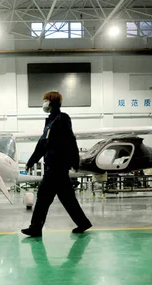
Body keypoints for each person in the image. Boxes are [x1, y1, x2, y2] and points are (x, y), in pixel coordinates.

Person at [21, 91, 92, 238]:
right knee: (66, 198)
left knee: (43, 197)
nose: (44, 103)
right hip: (53, 166)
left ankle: (35, 228)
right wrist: (31, 161)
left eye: (45, 100)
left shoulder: (62, 118)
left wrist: (75, 161)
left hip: (57, 167)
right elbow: (42, 144)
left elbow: (71, 140)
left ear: (51, 101)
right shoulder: (50, 122)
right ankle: (83, 222)